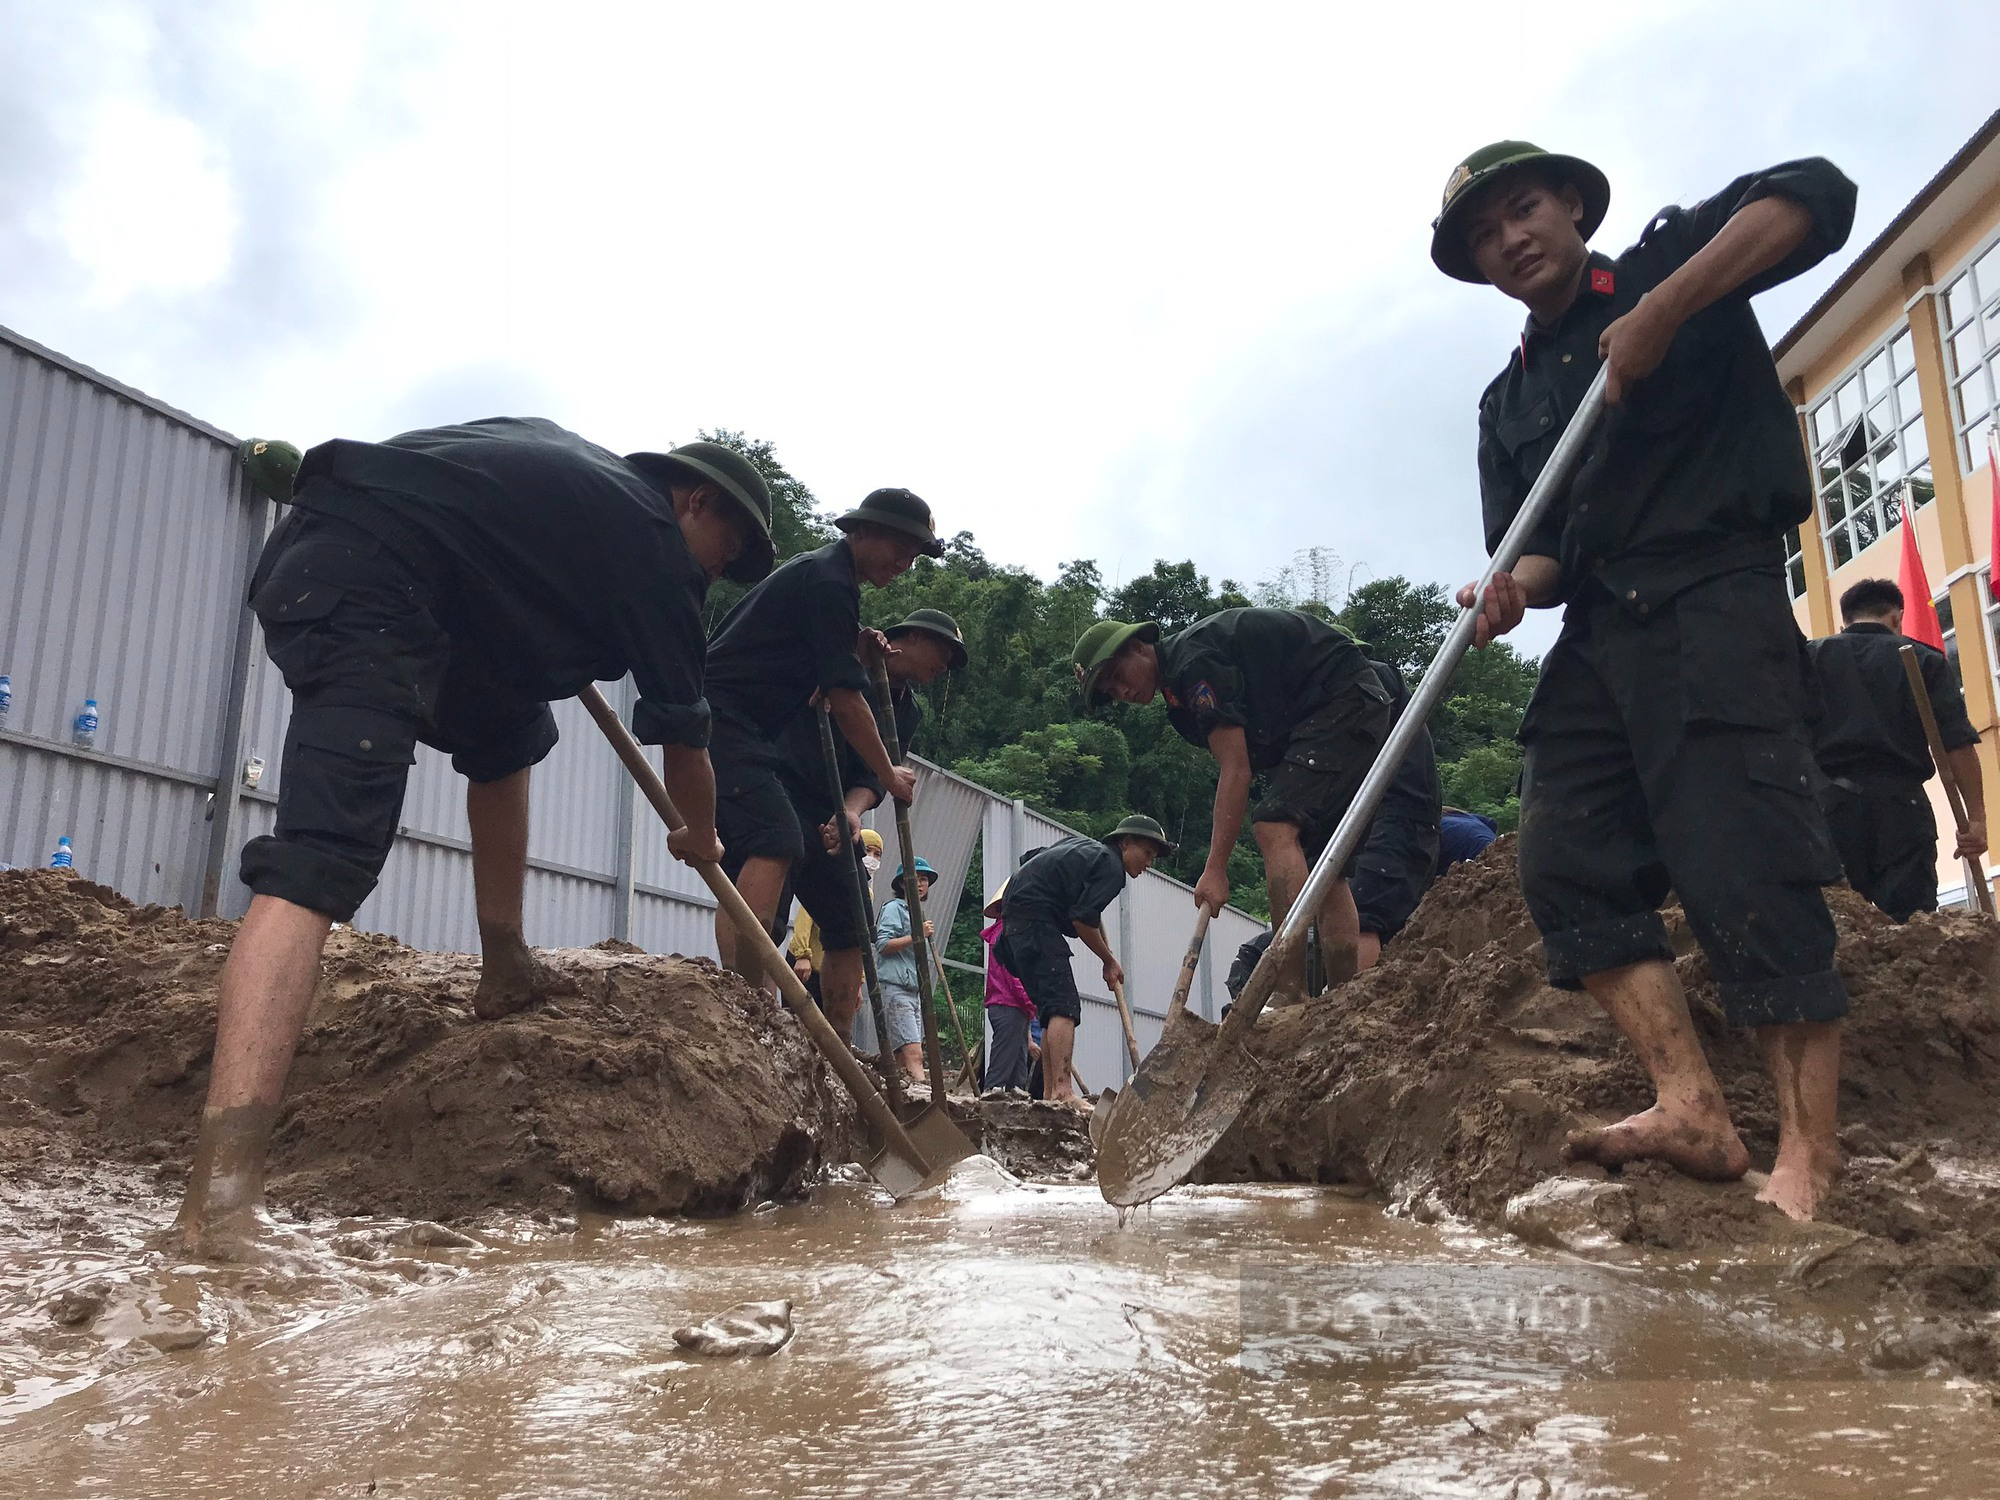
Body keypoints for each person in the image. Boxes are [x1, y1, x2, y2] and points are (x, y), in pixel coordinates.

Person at [175, 421, 773, 1256]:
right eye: (722, 551)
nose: (712, 572)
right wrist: (703, 838)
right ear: (694, 501)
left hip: (413, 586)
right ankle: (219, 1207)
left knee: (510, 730)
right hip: (369, 585)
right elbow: (686, 739)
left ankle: (505, 960)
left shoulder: (573, 494)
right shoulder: (650, 538)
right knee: (319, 862)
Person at [1435, 140, 1857, 1219]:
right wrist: (1506, 594)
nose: (1509, 240)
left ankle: (1807, 1158)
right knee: (1564, 858)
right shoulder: (1504, 401)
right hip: (1599, 623)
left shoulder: (1676, 262)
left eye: (1521, 211)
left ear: (1569, 205)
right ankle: (1691, 1107)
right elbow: (1534, 551)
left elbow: (1813, 197)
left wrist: (1667, 308)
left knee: (1742, 858)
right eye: (1484, 237)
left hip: (1710, 592)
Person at [702, 489, 942, 1013]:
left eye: (913, 557)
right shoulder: (829, 578)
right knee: (775, 838)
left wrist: (857, 804)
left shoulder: (837, 591)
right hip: (729, 719)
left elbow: (829, 670)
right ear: (860, 531)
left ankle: (821, 1033)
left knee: (845, 903)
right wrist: (890, 772)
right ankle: (748, 1000)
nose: (903, 564)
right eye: (897, 548)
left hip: (761, 736)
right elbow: (845, 699)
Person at [1074, 608, 1391, 990]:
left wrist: (1216, 868)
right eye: (1110, 691)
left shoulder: (1194, 663)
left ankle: (1290, 992)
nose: (1121, 691)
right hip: (1342, 708)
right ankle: (1345, 997)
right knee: (1325, 864)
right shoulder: (1179, 698)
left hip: (1343, 699)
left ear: (1139, 647)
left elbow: (1236, 769)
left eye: (1116, 676)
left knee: (1274, 826)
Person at [767, 608, 967, 1033]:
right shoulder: (846, 660)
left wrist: (851, 813)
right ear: (908, 638)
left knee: (853, 916)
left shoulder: (905, 714)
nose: (944, 666)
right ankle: (752, 1015)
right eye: (942, 652)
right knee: (767, 913)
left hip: (834, 812)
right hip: (780, 786)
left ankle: (836, 1038)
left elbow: (875, 775)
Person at [1807, 578, 1986, 919]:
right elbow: (1956, 745)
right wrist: (1977, 819)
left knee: (1835, 925)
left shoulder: (1812, 658)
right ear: (1895, 617)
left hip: (1828, 808)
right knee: (1913, 925)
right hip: (1901, 808)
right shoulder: (1922, 660)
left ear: (1845, 620)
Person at [996, 815, 1174, 1102]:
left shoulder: (1083, 850)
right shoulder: (1111, 867)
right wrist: (1108, 961)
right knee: (1064, 1007)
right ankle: (1063, 1091)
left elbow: (1032, 859)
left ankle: (1050, 1094)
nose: (1149, 863)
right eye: (1147, 853)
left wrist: (1108, 953)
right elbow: (1082, 921)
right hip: (1036, 923)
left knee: (1052, 1008)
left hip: (1016, 926)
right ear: (1126, 842)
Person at [1350, 658, 1443, 971]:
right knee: (1375, 918)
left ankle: (1349, 1011)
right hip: (1405, 819)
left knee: (1364, 915)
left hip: (1396, 817)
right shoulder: (1377, 683)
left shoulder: (1366, 680)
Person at [790, 827, 886, 1008]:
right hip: (807, 966)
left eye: (877, 854)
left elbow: (859, 942)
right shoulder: (831, 878)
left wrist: (858, 982)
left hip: (834, 973)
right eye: (867, 851)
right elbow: (806, 917)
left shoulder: (867, 895)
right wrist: (802, 955)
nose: (872, 858)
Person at [876, 858, 938, 1085]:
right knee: (915, 1053)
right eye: (916, 879)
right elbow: (882, 944)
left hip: (913, 990)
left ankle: (900, 1096)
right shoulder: (894, 908)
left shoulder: (917, 913)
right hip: (895, 987)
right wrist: (916, 935)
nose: (921, 884)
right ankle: (924, 1097)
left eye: (924, 880)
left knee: (902, 1055)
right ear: (902, 883)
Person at [980, 881, 1035, 1095]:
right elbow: (1015, 976)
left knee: (1018, 1052)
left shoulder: (1007, 933)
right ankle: (993, 1089)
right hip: (1007, 1002)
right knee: (1005, 1053)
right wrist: (1031, 1002)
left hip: (1012, 1004)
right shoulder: (1006, 935)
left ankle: (1015, 1090)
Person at [1438, 806, 1500, 873]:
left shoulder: (1432, 827)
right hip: (1497, 849)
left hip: (1475, 858)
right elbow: (1491, 822)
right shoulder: (1460, 815)